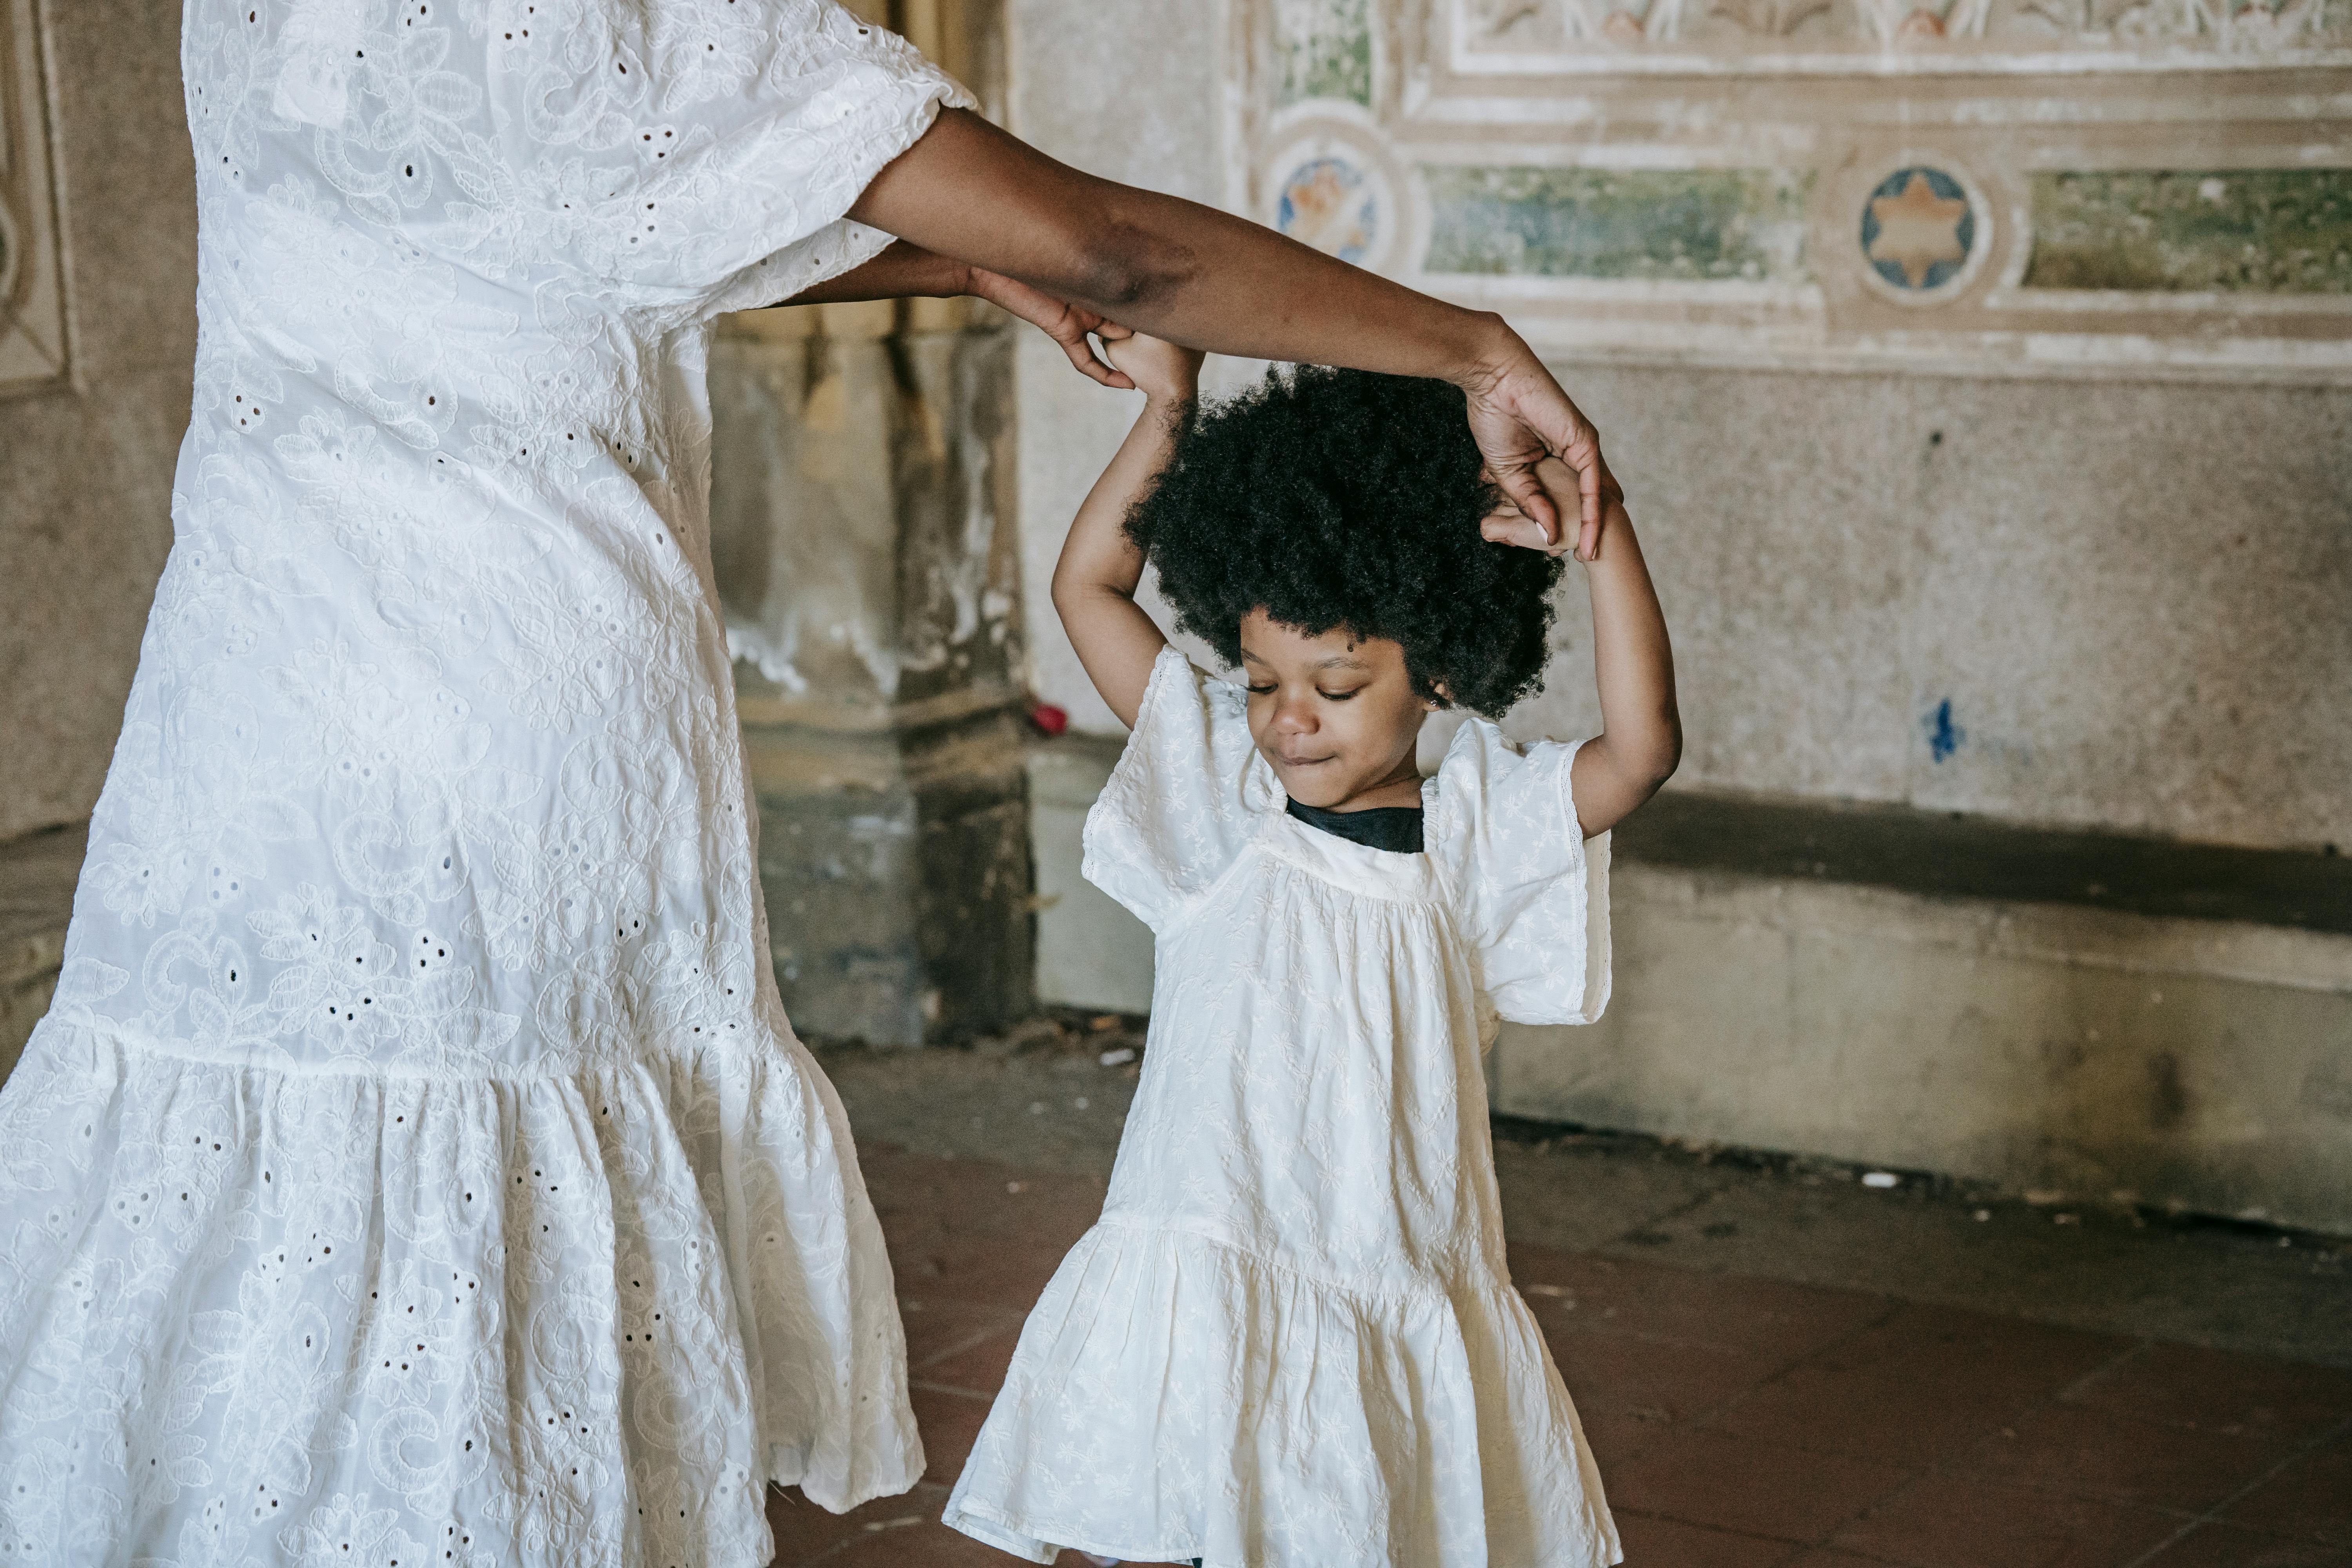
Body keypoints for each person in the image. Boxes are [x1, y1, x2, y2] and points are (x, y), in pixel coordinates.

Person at [0, 3, 1629, 1564]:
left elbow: (548, 227)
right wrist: (1464, 346)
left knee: (240, 1254)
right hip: (499, 743)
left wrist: (964, 254)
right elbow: (1117, 252)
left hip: (240, 718)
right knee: (483, 1287)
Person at [940, 335, 1680, 1567]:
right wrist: (1167, 413)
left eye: (1337, 683)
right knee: (1185, 1519)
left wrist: (1604, 535)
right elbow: (1089, 593)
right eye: (1266, 675)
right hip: (1211, 1246)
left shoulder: (1473, 841)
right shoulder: (1223, 791)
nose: (1289, 716)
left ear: (1438, 670)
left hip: (1388, 1254)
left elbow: (1639, 751)